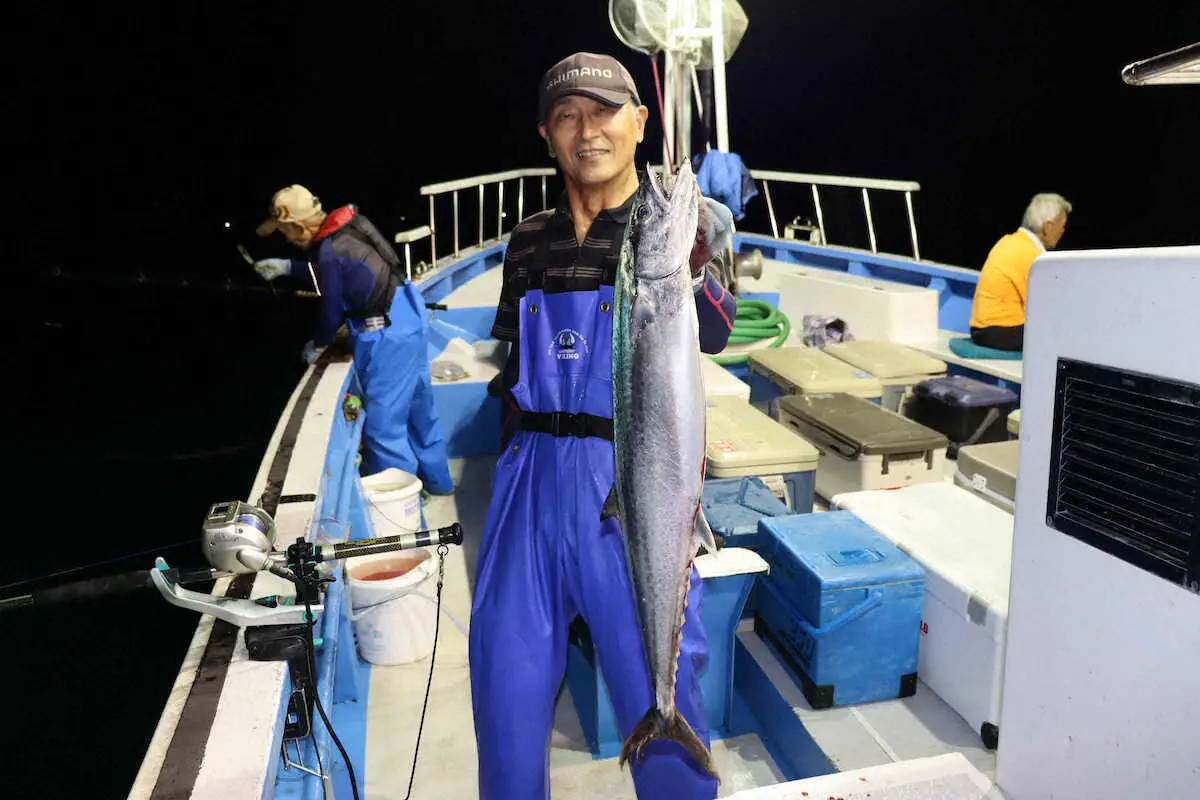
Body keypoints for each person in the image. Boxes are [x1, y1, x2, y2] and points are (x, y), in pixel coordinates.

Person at [468, 52, 737, 800]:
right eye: (567, 115)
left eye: (607, 111)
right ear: (547, 134)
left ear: (640, 123)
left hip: (629, 480)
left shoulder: (675, 229)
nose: (588, 131)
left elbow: (714, 331)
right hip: (528, 480)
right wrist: (507, 492)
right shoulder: (527, 240)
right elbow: (514, 369)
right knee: (502, 682)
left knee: (663, 683)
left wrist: (695, 267)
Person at [251, 185, 454, 493]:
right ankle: (440, 484)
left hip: (385, 333)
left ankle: (407, 507)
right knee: (419, 411)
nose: (287, 239)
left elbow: (331, 312)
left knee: (383, 430)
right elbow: (342, 269)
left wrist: (318, 344)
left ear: (296, 226)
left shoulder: (329, 251)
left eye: (284, 232)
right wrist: (288, 267)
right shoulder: (354, 224)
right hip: (409, 312)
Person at [969, 192, 1072, 351]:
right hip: (1001, 331)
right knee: (1066, 332)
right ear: (1048, 226)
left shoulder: (1008, 241)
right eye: (1062, 225)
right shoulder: (1031, 255)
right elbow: (1044, 306)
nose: (1063, 231)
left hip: (980, 329)